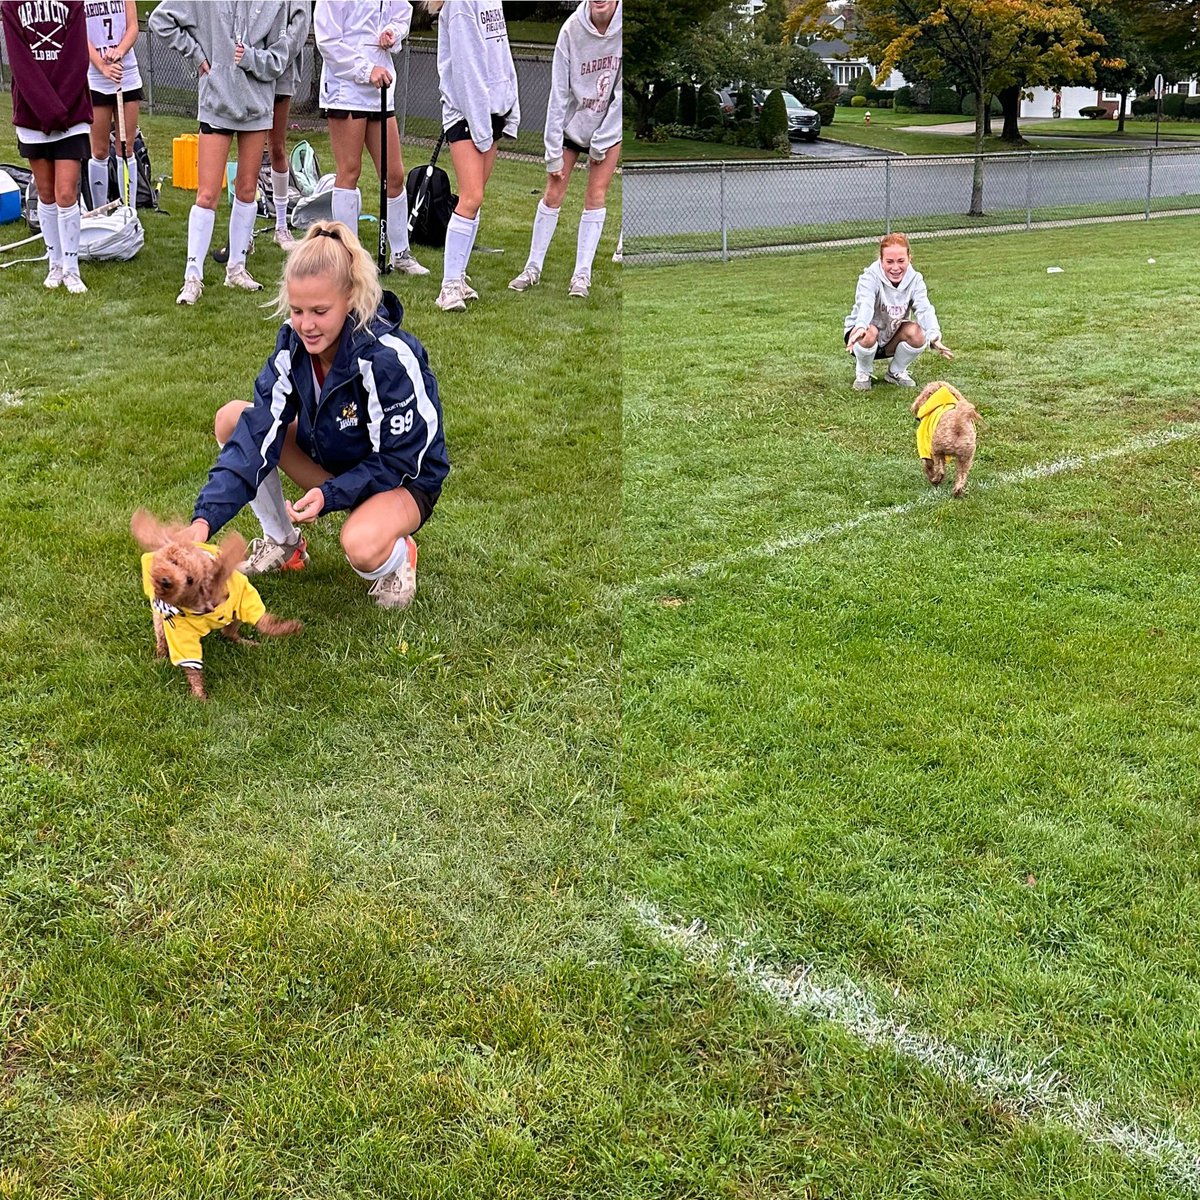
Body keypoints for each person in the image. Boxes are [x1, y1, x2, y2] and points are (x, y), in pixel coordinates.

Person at [185, 221, 448, 611]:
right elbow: (257, 436)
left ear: (351, 297)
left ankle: (397, 554)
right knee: (235, 419)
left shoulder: (388, 357)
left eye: (320, 311)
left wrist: (330, 495)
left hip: (402, 480)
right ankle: (284, 544)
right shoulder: (292, 346)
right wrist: (203, 521)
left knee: (361, 545)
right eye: (297, 310)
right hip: (334, 461)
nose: (306, 325)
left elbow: (400, 461)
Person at [149, 0, 289, 305]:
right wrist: (196, 54)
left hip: (257, 105)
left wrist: (251, 59)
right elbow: (160, 20)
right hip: (216, 102)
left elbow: (281, 56)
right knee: (207, 194)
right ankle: (192, 276)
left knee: (247, 190)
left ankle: (236, 268)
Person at [508, 0, 621, 300]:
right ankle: (532, 268)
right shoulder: (571, 29)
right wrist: (553, 152)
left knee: (595, 196)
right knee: (553, 193)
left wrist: (601, 141)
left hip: (609, 126)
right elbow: (558, 94)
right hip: (572, 125)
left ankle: (582, 275)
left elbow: (621, 98)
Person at [313, 0, 427, 274]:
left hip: (380, 89)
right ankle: (349, 256)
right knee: (349, 171)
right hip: (346, 89)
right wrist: (365, 70)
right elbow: (328, 41)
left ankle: (400, 253)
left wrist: (392, 33)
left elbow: (403, 13)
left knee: (394, 174)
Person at [427, 0, 519, 312]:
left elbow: (502, 55)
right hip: (466, 113)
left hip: (490, 112)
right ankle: (448, 286)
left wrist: (509, 110)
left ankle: (460, 276)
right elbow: (466, 69)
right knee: (471, 196)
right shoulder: (460, 5)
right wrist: (480, 127)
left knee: (476, 198)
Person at [2, 0, 92, 293]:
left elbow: (77, 57)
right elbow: (20, 62)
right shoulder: (10, 4)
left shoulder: (73, 2)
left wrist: (58, 108)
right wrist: (45, 107)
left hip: (71, 110)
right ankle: (55, 262)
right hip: (31, 111)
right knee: (46, 192)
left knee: (66, 192)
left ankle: (72, 268)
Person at [843, 232, 949, 390]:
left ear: (909, 258)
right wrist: (860, 326)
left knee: (918, 333)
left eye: (901, 261)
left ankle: (895, 372)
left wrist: (934, 335)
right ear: (881, 260)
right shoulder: (869, 277)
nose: (895, 267)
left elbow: (924, 308)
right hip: (861, 337)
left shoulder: (915, 280)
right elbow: (866, 303)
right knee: (869, 332)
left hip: (891, 336)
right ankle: (863, 373)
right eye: (889, 261)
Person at [84, 0, 142, 213]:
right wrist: (102, 66)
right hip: (96, 78)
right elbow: (79, 34)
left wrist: (120, 51)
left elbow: (133, 27)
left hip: (126, 75)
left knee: (126, 148)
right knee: (99, 150)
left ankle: (129, 211)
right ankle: (99, 212)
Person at [267, 0, 312, 250]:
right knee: (248, 150)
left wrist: (274, 59)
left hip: (281, 73)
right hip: (249, 71)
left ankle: (281, 226)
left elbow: (300, 25)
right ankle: (243, 231)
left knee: (277, 147)